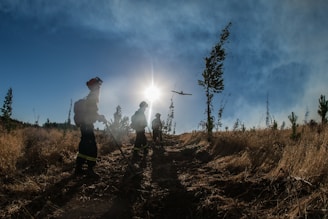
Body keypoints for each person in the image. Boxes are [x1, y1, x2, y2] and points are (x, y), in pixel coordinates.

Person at [74, 77, 107, 178]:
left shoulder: (89, 97)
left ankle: (78, 169)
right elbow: (92, 113)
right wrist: (100, 117)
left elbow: (91, 113)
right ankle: (90, 170)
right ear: (95, 86)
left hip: (85, 125)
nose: (99, 88)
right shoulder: (92, 97)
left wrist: (98, 117)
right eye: (98, 85)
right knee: (92, 147)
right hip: (87, 125)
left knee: (84, 146)